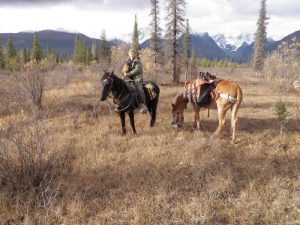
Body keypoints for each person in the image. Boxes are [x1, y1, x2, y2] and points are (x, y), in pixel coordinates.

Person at [122, 49, 148, 114]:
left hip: (137, 79)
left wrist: (127, 74)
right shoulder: (127, 62)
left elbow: (136, 70)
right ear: (129, 55)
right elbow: (124, 69)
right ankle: (126, 104)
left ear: (135, 55)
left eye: (133, 54)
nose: (132, 55)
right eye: (131, 54)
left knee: (140, 89)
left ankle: (144, 105)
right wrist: (124, 71)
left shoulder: (138, 62)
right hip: (129, 80)